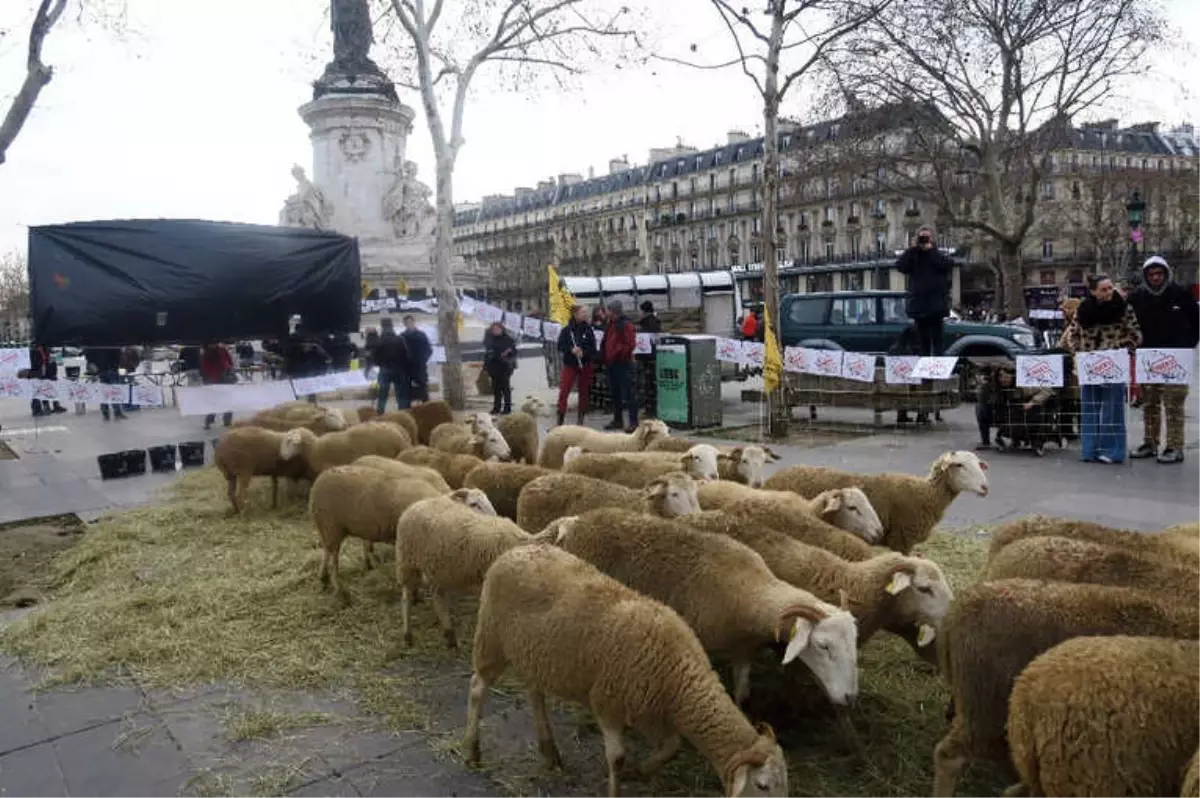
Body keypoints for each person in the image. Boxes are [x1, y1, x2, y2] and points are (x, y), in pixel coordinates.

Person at [1127, 255, 1200, 464]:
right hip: (1148, 359)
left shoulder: (1181, 294)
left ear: (1166, 274)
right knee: (1150, 404)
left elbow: (1197, 322)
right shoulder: (1137, 297)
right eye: (1151, 274)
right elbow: (1129, 324)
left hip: (1176, 359)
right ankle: (1150, 442)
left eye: (1159, 274)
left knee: (1174, 404)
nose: (1156, 278)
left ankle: (1175, 446)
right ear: (1146, 276)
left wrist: (1187, 345)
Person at [1061, 274, 1142, 464]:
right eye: (1104, 289)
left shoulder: (1124, 308)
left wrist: (1119, 349)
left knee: (1112, 409)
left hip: (1113, 363)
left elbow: (1136, 335)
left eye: (1110, 288)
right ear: (1093, 291)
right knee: (1089, 408)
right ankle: (1089, 449)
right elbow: (1072, 335)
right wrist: (1079, 351)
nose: (1108, 292)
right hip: (1089, 365)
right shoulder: (1083, 310)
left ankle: (1112, 450)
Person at [895, 225, 953, 356]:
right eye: (922, 237)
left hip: (937, 305)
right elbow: (900, 266)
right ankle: (925, 374)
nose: (924, 240)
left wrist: (931, 250)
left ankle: (938, 371)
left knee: (938, 342)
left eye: (926, 237)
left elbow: (947, 264)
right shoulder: (913, 255)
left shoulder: (938, 254)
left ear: (932, 239)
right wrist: (913, 249)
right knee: (923, 343)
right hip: (920, 305)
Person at [985, 365, 1056, 457]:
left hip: (1024, 410)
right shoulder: (996, 388)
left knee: (1034, 412)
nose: (1002, 379)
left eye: (1006, 377)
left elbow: (1047, 389)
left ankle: (1036, 442)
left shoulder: (1024, 386)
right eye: (1000, 376)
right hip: (1008, 412)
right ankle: (1005, 437)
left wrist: (1033, 402)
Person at [556, 304, 598, 426]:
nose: (585, 314)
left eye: (586, 312)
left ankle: (580, 421)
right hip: (570, 365)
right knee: (564, 391)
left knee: (584, 392)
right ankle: (560, 421)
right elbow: (560, 346)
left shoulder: (588, 329)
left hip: (585, 365)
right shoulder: (567, 330)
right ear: (575, 314)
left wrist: (583, 352)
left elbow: (593, 348)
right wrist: (571, 350)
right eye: (583, 312)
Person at [601, 299, 638, 431]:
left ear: (613, 311)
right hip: (612, 363)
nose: (606, 312)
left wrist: (619, 354)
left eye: (608, 310)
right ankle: (618, 420)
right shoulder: (611, 323)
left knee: (629, 393)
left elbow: (630, 344)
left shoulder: (625, 325)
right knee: (615, 393)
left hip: (623, 363)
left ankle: (634, 422)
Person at [374, 317, 411, 413]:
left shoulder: (379, 340)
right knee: (401, 393)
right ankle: (403, 412)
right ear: (392, 326)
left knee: (382, 393)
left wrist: (380, 364)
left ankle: (380, 413)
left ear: (382, 326)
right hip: (399, 368)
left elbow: (375, 357)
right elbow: (406, 355)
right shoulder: (399, 339)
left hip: (385, 368)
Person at [199, 342, 236, 430]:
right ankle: (213, 421)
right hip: (217, 380)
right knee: (218, 402)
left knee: (220, 402)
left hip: (219, 379)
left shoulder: (219, 350)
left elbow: (230, 363)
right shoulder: (209, 353)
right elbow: (204, 368)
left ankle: (224, 421)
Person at [83, 347, 126, 421]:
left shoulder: (94, 344)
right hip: (112, 369)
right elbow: (119, 355)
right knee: (114, 392)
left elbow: (87, 354)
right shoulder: (111, 344)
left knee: (104, 393)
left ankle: (105, 413)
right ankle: (117, 412)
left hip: (101, 370)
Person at [483, 321, 517, 415]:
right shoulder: (490, 340)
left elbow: (513, 352)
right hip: (494, 367)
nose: (496, 331)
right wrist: (486, 366)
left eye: (498, 329)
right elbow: (488, 353)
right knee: (495, 389)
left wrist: (506, 354)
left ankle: (507, 408)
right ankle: (496, 407)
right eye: (494, 329)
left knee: (505, 388)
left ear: (502, 329)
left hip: (505, 367)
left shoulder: (508, 339)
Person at [29, 343, 66, 417]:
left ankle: (55, 405)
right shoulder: (36, 347)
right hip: (42, 370)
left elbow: (53, 355)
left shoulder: (48, 345)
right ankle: (44, 407)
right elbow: (38, 359)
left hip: (50, 368)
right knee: (42, 388)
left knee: (53, 387)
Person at [401, 315, 433, 402]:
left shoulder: (421, 335)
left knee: (423, 388)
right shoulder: (402, 337)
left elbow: (429, 349)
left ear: (413, 323)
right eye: (407, 323)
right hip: (407, 368)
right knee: (407, 390)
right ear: (404, 324)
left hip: (420, 366)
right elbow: (399, 352)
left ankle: (426, 407)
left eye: (410, 322)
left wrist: (423, 360)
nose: (409, 324)